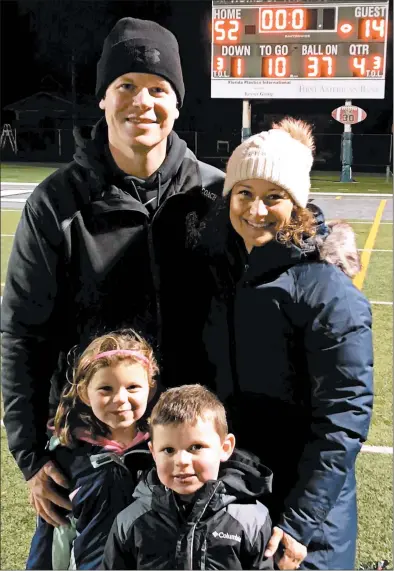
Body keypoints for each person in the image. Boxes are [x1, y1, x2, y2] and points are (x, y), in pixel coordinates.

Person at [1, 16, 225, 528]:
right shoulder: (56, 203)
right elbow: (23, 335)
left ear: (176, 103)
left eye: (157, 89)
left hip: (193, 452)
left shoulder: (216, 196)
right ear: (103, 98)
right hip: (93, 447)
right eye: (125, 86)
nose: (141, 102)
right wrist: (32, 457)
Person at [193, 118, 374, 569]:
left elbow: (343, 420)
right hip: (237, 495)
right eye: (244, 193)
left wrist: (299, 522)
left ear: (296, 204)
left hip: (304, 517)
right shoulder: (222, 274)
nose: (256, 209)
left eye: (273, 196)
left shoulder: (328, 291)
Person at [102, 384, 274, 570]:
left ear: (225, 448)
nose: (182, 461)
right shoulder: (130, 521)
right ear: (153, 452)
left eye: (196, 447)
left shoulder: (251, 519)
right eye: (168, 450)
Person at [26, 329, 158, 570]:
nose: (120, 398)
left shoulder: (163, 449)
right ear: (85, 394)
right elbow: (55, 535)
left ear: (150, 388)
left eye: (133, 387)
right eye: (106, 389)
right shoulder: (66, 457)